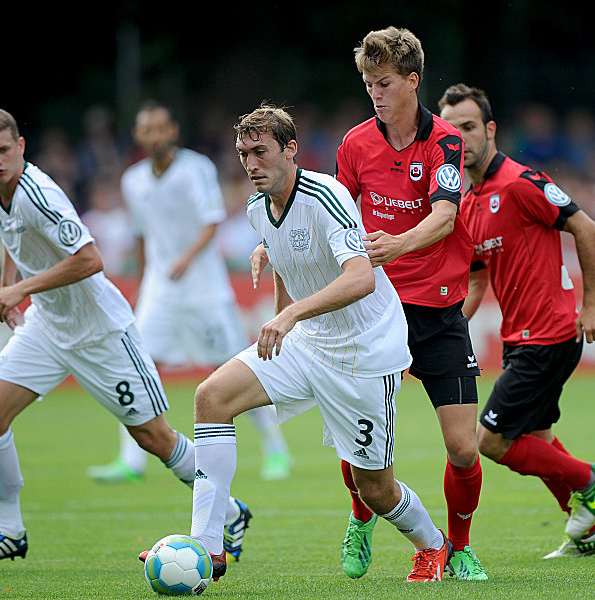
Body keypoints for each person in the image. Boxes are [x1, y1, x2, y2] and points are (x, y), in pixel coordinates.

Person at [0, 107, 250, 569]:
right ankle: (9, 531)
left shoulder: (42, 195)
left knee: (154, 438)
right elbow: (12, 241)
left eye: (5, 151)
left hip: (102, 331)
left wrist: (20, 289)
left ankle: (230, 512)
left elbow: (90, 259)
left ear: (21, 148)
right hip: (48, 326)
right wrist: (11, 287)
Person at [177, 103, 452, 584]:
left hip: (365, 352)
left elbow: (362, 278)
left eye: (260, 152)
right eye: (243, 154)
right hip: (308, 343)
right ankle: (207, 547)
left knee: (374, 490)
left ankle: (433, 545)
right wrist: (283, 316)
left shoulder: (327, 195)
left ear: (290, 150)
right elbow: (288, 265)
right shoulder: (257, 208)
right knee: (211, 397)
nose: (251, 164)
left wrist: (288, 315)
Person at [334, 26, 486, 580]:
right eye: (369, 83)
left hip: (438, 311)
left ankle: (460, 546)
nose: (375, 92)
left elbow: (446, 217)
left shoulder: (445, 141)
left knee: (464, 448)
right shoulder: (354, 144)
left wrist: (396, 243)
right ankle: (360, 518)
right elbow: (332, 211)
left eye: (386, 82)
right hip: (375, 310)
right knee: (361, 442)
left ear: (413, 81)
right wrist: (271, 237)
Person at [438, 84, 595, 557]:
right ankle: (590, 528)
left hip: (551, 333)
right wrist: (445, 331)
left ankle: (588, 478)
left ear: (490, 130)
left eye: (469, 127)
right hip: (521, 338)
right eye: (451, 131)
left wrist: (592, 303)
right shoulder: (467, 205)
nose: (461, 138)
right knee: (536, 437)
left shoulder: (520, 182)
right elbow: (476, 284)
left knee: (490, 442)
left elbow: (586, 226)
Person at [87, 101, 292, 486]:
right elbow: (142, 237)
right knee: (136, 367)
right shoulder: (133, 180)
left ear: (173, 131)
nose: (154, 136)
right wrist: (144, 285)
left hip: (205, 291)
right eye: (146, 130)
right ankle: (131, 459)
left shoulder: (196, 168)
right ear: (138, 136)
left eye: (160, 128)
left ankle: (276, 448)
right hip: (160, 292)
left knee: (240, 368)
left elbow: (211, 222)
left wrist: (185, 259)